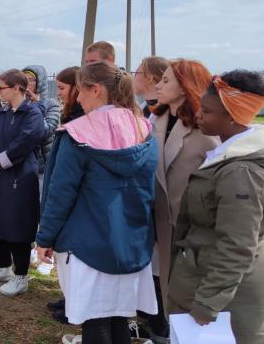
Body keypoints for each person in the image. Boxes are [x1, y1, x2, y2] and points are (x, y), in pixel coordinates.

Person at [36, 62, 158, 344]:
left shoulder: (78, 133)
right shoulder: (143, 128)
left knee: (95, 321)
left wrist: (45, 238)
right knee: (119, 318)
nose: (77, 98)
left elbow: (60, 194)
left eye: (80, 91)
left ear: (96, 89)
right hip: (131, 241)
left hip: (87, 242)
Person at [167, 70, 264, 344]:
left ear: (232, 116)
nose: (199, 116)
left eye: (207, 112)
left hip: (222, 298)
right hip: (205, 281)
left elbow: (238, 243)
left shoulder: (240, 171)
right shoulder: (225, 157)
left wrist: (209, 302)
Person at [147, 58, 219, 341]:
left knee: (189, 304)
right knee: (167, 296)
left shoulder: (206, 128)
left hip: (193, 230)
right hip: (159, 225)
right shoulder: (157, 119)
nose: (158, 85)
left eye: (166, 80)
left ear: (186, 85)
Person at [0, 69, 43, 296]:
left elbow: (24, 143)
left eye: (2, 87)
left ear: (17, 89)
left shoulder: (32, 114)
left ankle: (21, 275)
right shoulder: (2, 113)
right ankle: (3, 266)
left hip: (20, 179)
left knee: (17, 226)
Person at [45, 65, 85, 324]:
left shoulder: (80, 121)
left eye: (62, 88)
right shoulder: (70, 114)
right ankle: (70, 300)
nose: (58, 93)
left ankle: (76, 305)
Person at [23, 65, 60, 192]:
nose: (27, 83)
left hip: (41, 166)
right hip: (20, 164)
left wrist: (36, 105)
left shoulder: (51, 104)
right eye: (24, 79)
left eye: (31, 80)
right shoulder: (18, 103)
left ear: (40, 83)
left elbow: (46, 131)